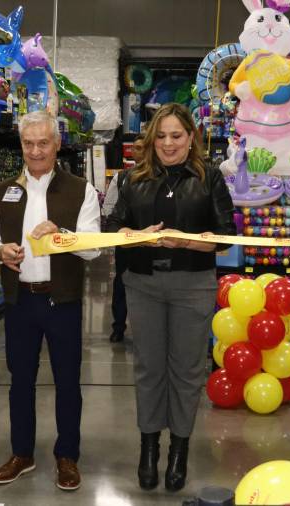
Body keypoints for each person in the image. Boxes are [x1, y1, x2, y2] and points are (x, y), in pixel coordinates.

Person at [106, 103, 235, 491]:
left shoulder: (209, 177)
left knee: (187, 371)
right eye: (160, 136)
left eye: (176, 135)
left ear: (191, 137)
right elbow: (112, 226)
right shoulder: (131, 180)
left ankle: (179, 450)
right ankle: (149, 449)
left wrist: (192, 244)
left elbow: (226, 234)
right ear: (150, 139)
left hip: (193, 285)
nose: (167, 143)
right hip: (143, 284)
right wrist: (129, 234)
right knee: (148, 368)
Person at [0, 111, 101, 491]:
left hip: (61, 301)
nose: (35, 151)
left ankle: (68, 456)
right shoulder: (2, 191)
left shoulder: (81, 190)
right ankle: (22, 454)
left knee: (67, 382)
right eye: (28, 143)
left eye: (43, 143)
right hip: (20, 302)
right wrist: (0, 252)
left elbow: (93, 248)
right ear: (21, 145)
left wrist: (61, 234)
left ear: (57, 144)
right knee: (20, 382)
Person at [101, 135, 145, 342]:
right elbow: (109, 208)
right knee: (121, 284)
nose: (140, 152)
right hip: (126, 242)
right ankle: (118, 326)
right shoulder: (121, 178)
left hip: (153, 243)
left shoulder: (162, 177)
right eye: (136, 148)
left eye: (144, 147)